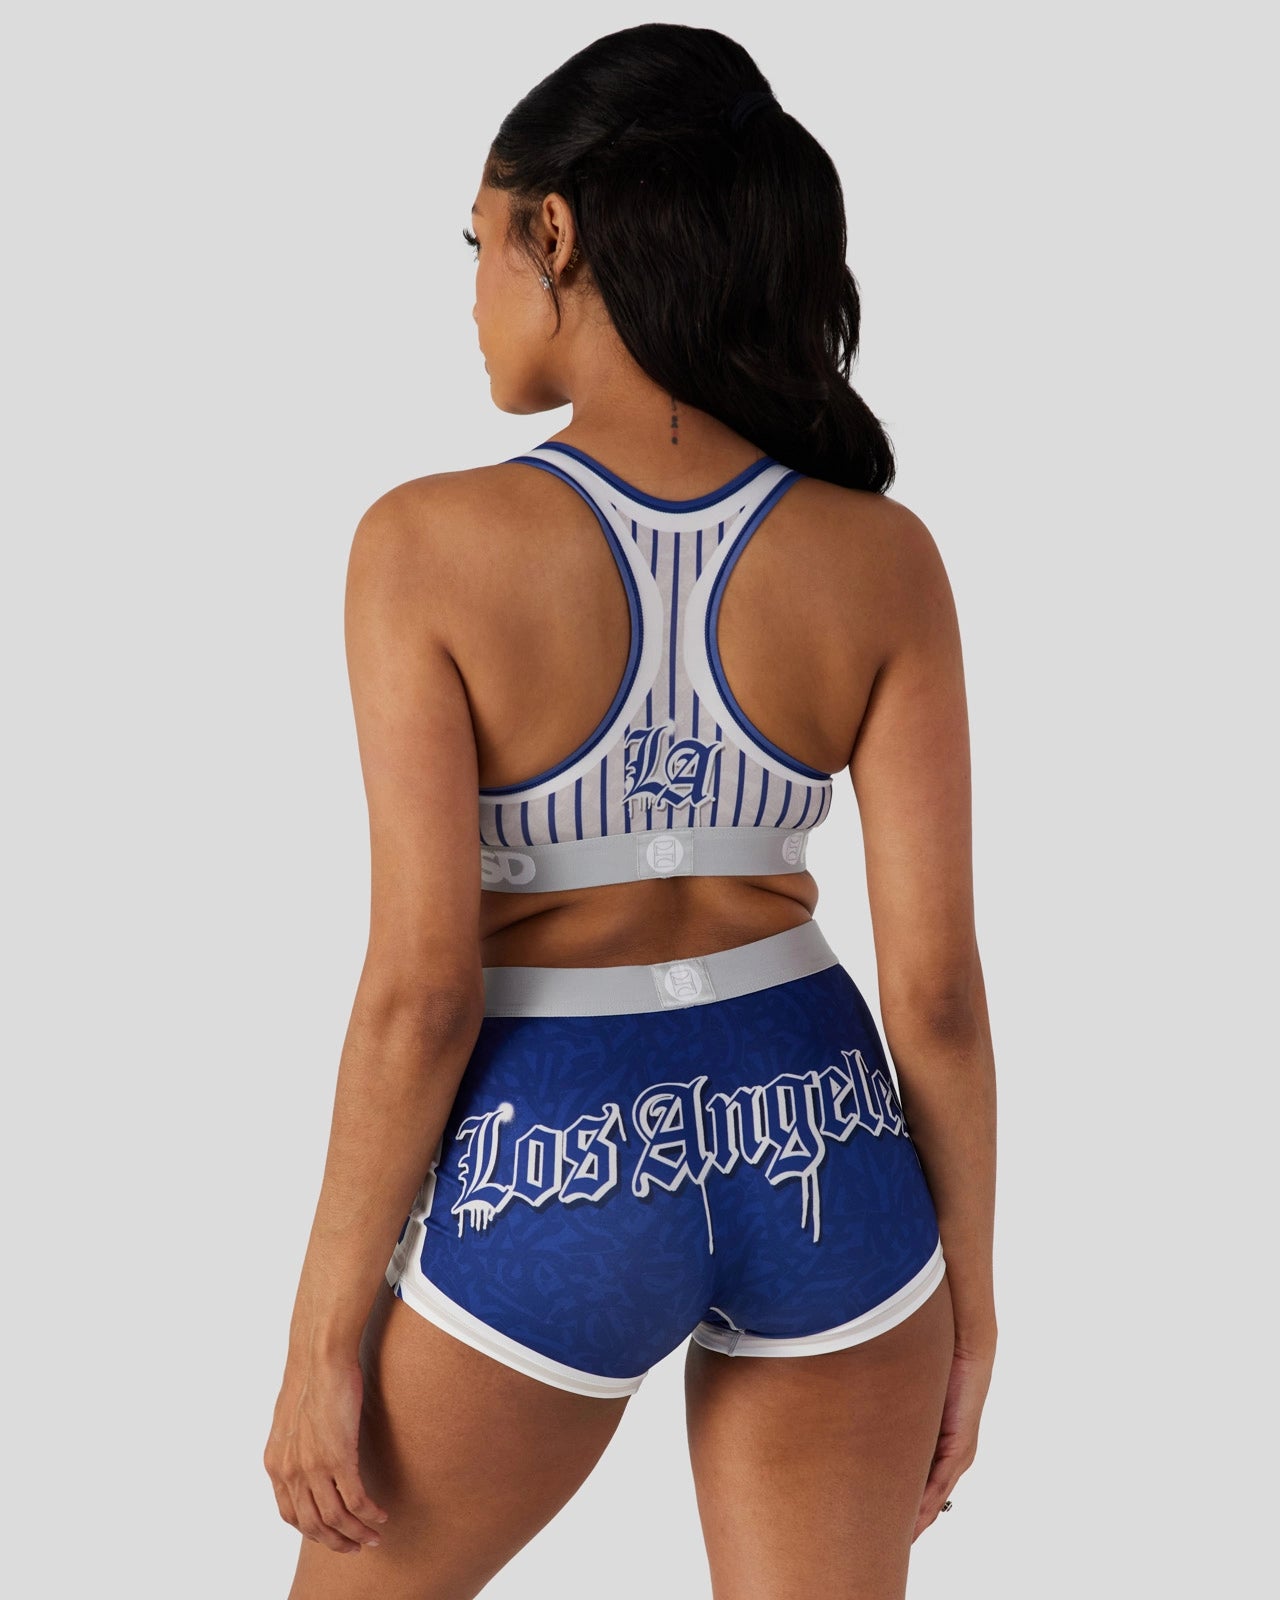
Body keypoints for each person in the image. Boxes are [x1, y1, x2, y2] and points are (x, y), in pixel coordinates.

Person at [264, 21, 997, 1600]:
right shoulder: (884, 557)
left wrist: (323, 1334)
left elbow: (421, 995)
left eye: (474, 242)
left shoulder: (424, 545)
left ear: (555, 230)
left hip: (562, 1160)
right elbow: (936, 996)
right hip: (830, 1151)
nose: (469, 293)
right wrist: (971, 1304)